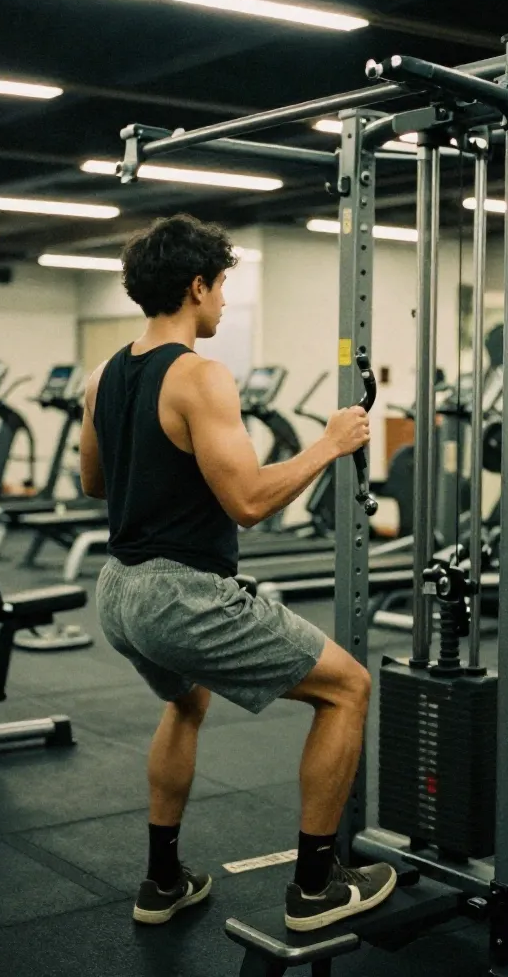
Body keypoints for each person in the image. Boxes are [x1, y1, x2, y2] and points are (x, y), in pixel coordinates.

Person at [79, 214, 397, 932]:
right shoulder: (200, 376)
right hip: (178, 595)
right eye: (221, 288)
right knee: (348, 688)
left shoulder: (104, 374)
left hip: (118, 590)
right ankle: (316, 889)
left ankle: (164, 881)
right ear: (196, 286)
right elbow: (250, 502)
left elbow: (95, 482)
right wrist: (329, 444)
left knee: (186, 702)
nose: (222, 302)